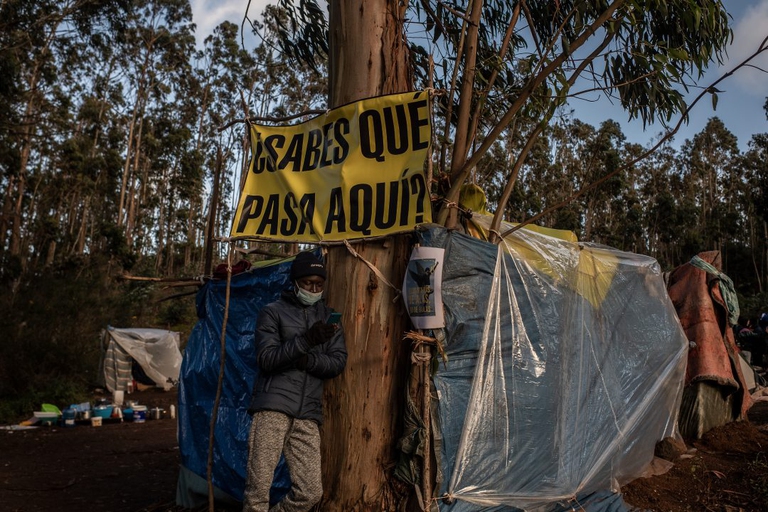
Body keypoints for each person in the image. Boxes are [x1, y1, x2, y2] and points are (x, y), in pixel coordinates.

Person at [243, 251, 347, 512]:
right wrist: (307, 342)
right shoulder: (272, 312)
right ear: (294, 282)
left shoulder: (328, 318)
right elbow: (266, 358)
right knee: (258, 492)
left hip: (308, 413)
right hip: (272, 408)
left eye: (319, 284)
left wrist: (306, 361)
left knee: (310, 493)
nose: (313, 289)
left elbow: (337, 363)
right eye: (307, 283)